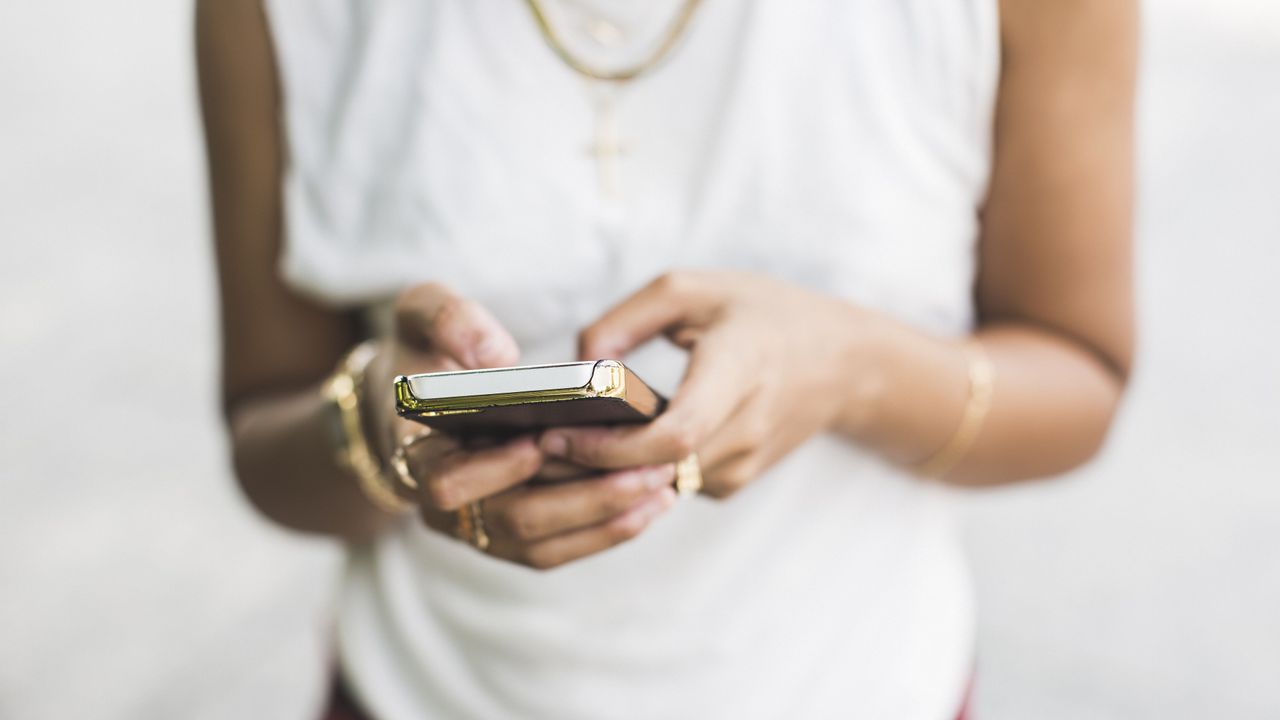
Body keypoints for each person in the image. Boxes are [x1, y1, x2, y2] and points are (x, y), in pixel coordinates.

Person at [196, 0, 1136, 717]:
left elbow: (1078, 373)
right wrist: (376, 421)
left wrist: (850, 370)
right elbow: (263, 429)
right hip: (421, 691)